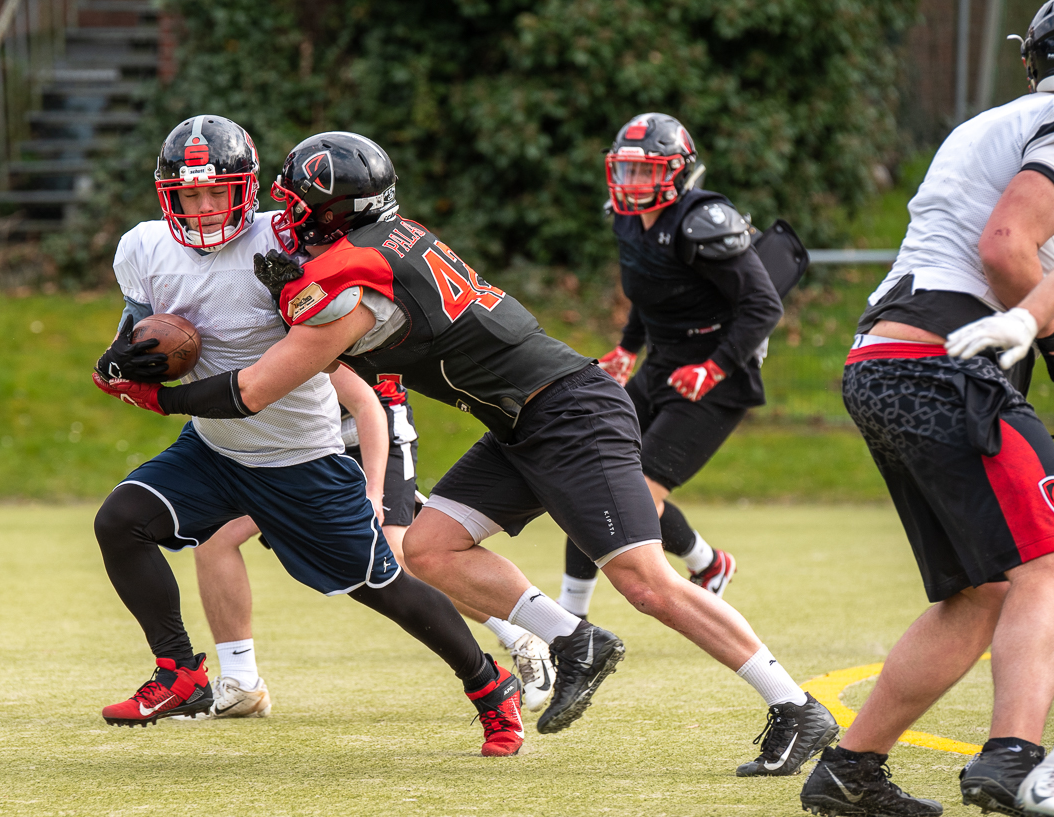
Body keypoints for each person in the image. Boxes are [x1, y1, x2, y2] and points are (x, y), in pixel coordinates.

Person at [100, 130, 837, 775]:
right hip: (517, 416)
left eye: (297, 205)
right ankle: (574, 639)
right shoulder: (389, 237)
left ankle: (795, 705)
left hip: (569, 411)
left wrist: (156, 397)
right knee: (430, 545)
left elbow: (256, 388)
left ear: (330, 213)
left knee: (645, 580)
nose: (282, 217)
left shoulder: (343, 278)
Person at [90, 114, 527, 758]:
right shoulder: (145, 246)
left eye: (218, 192)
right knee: (120, 521)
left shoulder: (287, 241)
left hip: (299, 457)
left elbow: (333, 332)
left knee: (383, 589)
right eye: (191, 195)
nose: (205, 207)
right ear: (168, 195)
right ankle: (180, 672)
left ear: (248, 189)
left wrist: (158, 395)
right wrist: (116, 365)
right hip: (213, 448)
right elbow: (137, 331)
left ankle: (491, 687)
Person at [798, 6, 1054, 813]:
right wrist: (1030, 327)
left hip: (883, 359)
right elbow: (1007, 244)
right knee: (1047, 564)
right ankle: (1012, 757)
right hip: (945, 364)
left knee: (979, 591)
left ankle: (850, 770)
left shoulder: (1000, 121)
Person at [190, 374, 556, 718]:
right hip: (302, 443)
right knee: (215, 536)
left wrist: (374, 493)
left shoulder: (310, 319)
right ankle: (243, 682)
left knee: (400, 548)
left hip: (373, 430)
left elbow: (369, 407)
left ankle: (522, 635)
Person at [556, 113, 785, 621]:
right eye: (626, 170)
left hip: (716, 380)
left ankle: (571, 620)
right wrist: (628, 346)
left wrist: (715, 366)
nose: (632, 183)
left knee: (624, 493)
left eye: (645, 171)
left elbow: (763, 307)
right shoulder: (625, 218)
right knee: (587, 472)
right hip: (662, 366)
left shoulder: (701, 221)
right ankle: (706, 565)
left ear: (677, 171)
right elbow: (650, 287)